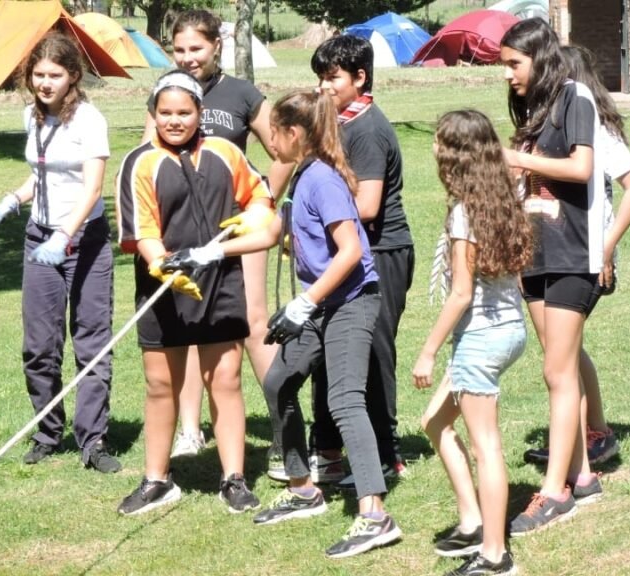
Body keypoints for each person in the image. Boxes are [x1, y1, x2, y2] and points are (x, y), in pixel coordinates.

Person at [165, 88, 401, 558]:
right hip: (322, 303)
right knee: (279, 381)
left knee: (344, 399)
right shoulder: (303, 174)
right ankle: (303, 489)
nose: (269, 141)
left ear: (295, 134)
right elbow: (271, 231)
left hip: (351, 301)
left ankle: (375, 515)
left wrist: (303, 303)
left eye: (273, 132)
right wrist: (211, 252)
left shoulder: (323, 180)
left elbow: (352, 251)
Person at [115, 69, 273, 515]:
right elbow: (142, 230)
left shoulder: (225, 152)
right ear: (153, 114)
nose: (175, 121)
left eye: (184, 112)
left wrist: (253, 216)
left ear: (200, 113)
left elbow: (260, 196)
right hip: (163, 282)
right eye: (165, 113)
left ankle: (234, 478)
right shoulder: (139, 162)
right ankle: (156, 479)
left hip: (222, 281)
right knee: (160, 383)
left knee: (224, 379)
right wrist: (160, 261)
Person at [140, 9, 293, 459]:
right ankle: (190, 430)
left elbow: (285, 148)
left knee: (253, 325)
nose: (187, 58)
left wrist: (259, 204)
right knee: (184, 327)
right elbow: (148, 157)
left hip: (236, 233)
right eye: (179, 49)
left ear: (216, 46)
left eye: (196, 48)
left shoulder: (242, 93)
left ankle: (284, 429)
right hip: (181, 232)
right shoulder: (166, 94)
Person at [0, 32, 119, 474]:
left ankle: (93, 439)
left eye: (54, 75)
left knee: (92, 343)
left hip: (86, 241)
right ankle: (47, 430)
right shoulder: (32, 117)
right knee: (39, 346)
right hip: (39, 238)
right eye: (38, 74)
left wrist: (66, 236)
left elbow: (92, 187)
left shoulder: (89, 121)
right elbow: (39, 178)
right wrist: (11, 200)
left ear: (73, 77)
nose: (44, 82)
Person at [412, 110, 532, 576]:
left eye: (440, 142)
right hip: (507, 331)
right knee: (434, 421)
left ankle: (496, 556)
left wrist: (428, 351)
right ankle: (471, 520)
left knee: (486, 446)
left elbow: (461, 292)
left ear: (455, 154)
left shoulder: (466, 211)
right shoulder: (500, 198)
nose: (435, 149)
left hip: (481, 339)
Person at [499, 18, 606, 534]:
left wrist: (514, 157)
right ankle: (583, 476)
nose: (507, 75)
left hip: (571, 254)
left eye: (513, 64)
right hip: (537, 254)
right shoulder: (533, 107)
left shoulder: (573, 97)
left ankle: (553, 491)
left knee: (557, 373)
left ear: (538, 57)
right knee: (557, 367)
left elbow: (582, 168)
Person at [523, 44, 630, 468]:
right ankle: (586, 434)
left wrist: (607, 245)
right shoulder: (547, 126)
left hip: (582, 253)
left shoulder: (592, 126)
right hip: (547, 252)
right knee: (564, 350)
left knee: (563, 353)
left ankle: (591, 437)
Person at [305, 34, 414, 488]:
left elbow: (367, 206)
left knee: (373, 352)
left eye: (332, 78)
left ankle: (387, 455)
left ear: (360, 78)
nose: (323, 87)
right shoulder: (339, 122)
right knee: (333, 352)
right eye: (320, 78)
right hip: (351, 251)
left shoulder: (367, 129)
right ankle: (330, 451)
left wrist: (318, 203)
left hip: (382, 251)